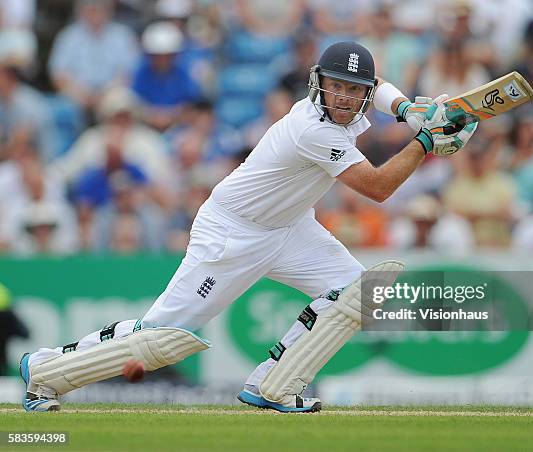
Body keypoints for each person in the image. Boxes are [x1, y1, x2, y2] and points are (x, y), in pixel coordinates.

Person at [19, 41, 476, 413]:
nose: (342, 98)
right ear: (319, 84)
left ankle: (274, 387)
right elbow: (378, 188)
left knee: (357, 291)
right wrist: (426, 140)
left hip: (291, 228)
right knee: (162, 339)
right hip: (232, 233)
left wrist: (409, 109)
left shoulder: (358, 101)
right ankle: (45, 372)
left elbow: (380, 92)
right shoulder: (311, 128)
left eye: (352, 90)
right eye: (334, 87)